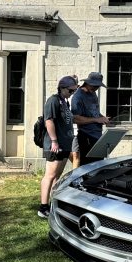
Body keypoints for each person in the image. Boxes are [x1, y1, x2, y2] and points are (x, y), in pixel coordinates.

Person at [39, 75, 77, 218]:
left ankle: (53, 204)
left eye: (74, 91)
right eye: (70, 90)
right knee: (49, 175)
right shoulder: (53, 101)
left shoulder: (64, 102)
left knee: (57, 176)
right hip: (55, 145)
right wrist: (54, 141)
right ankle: (43, 207)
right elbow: (49, 121)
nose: (72, 93)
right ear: (62, 88)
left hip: (65, 144)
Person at [71, 72, 111, 166]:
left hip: (97, 136)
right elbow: (75, 119)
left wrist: (103, 118)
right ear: (88, 83)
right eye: (94, 86)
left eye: (98, 86)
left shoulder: (93, 94)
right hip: (86, 136)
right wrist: (96, 120)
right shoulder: (78, 97)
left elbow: (94, 112)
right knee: (88, 167)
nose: (96, 88)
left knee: (98, 165)